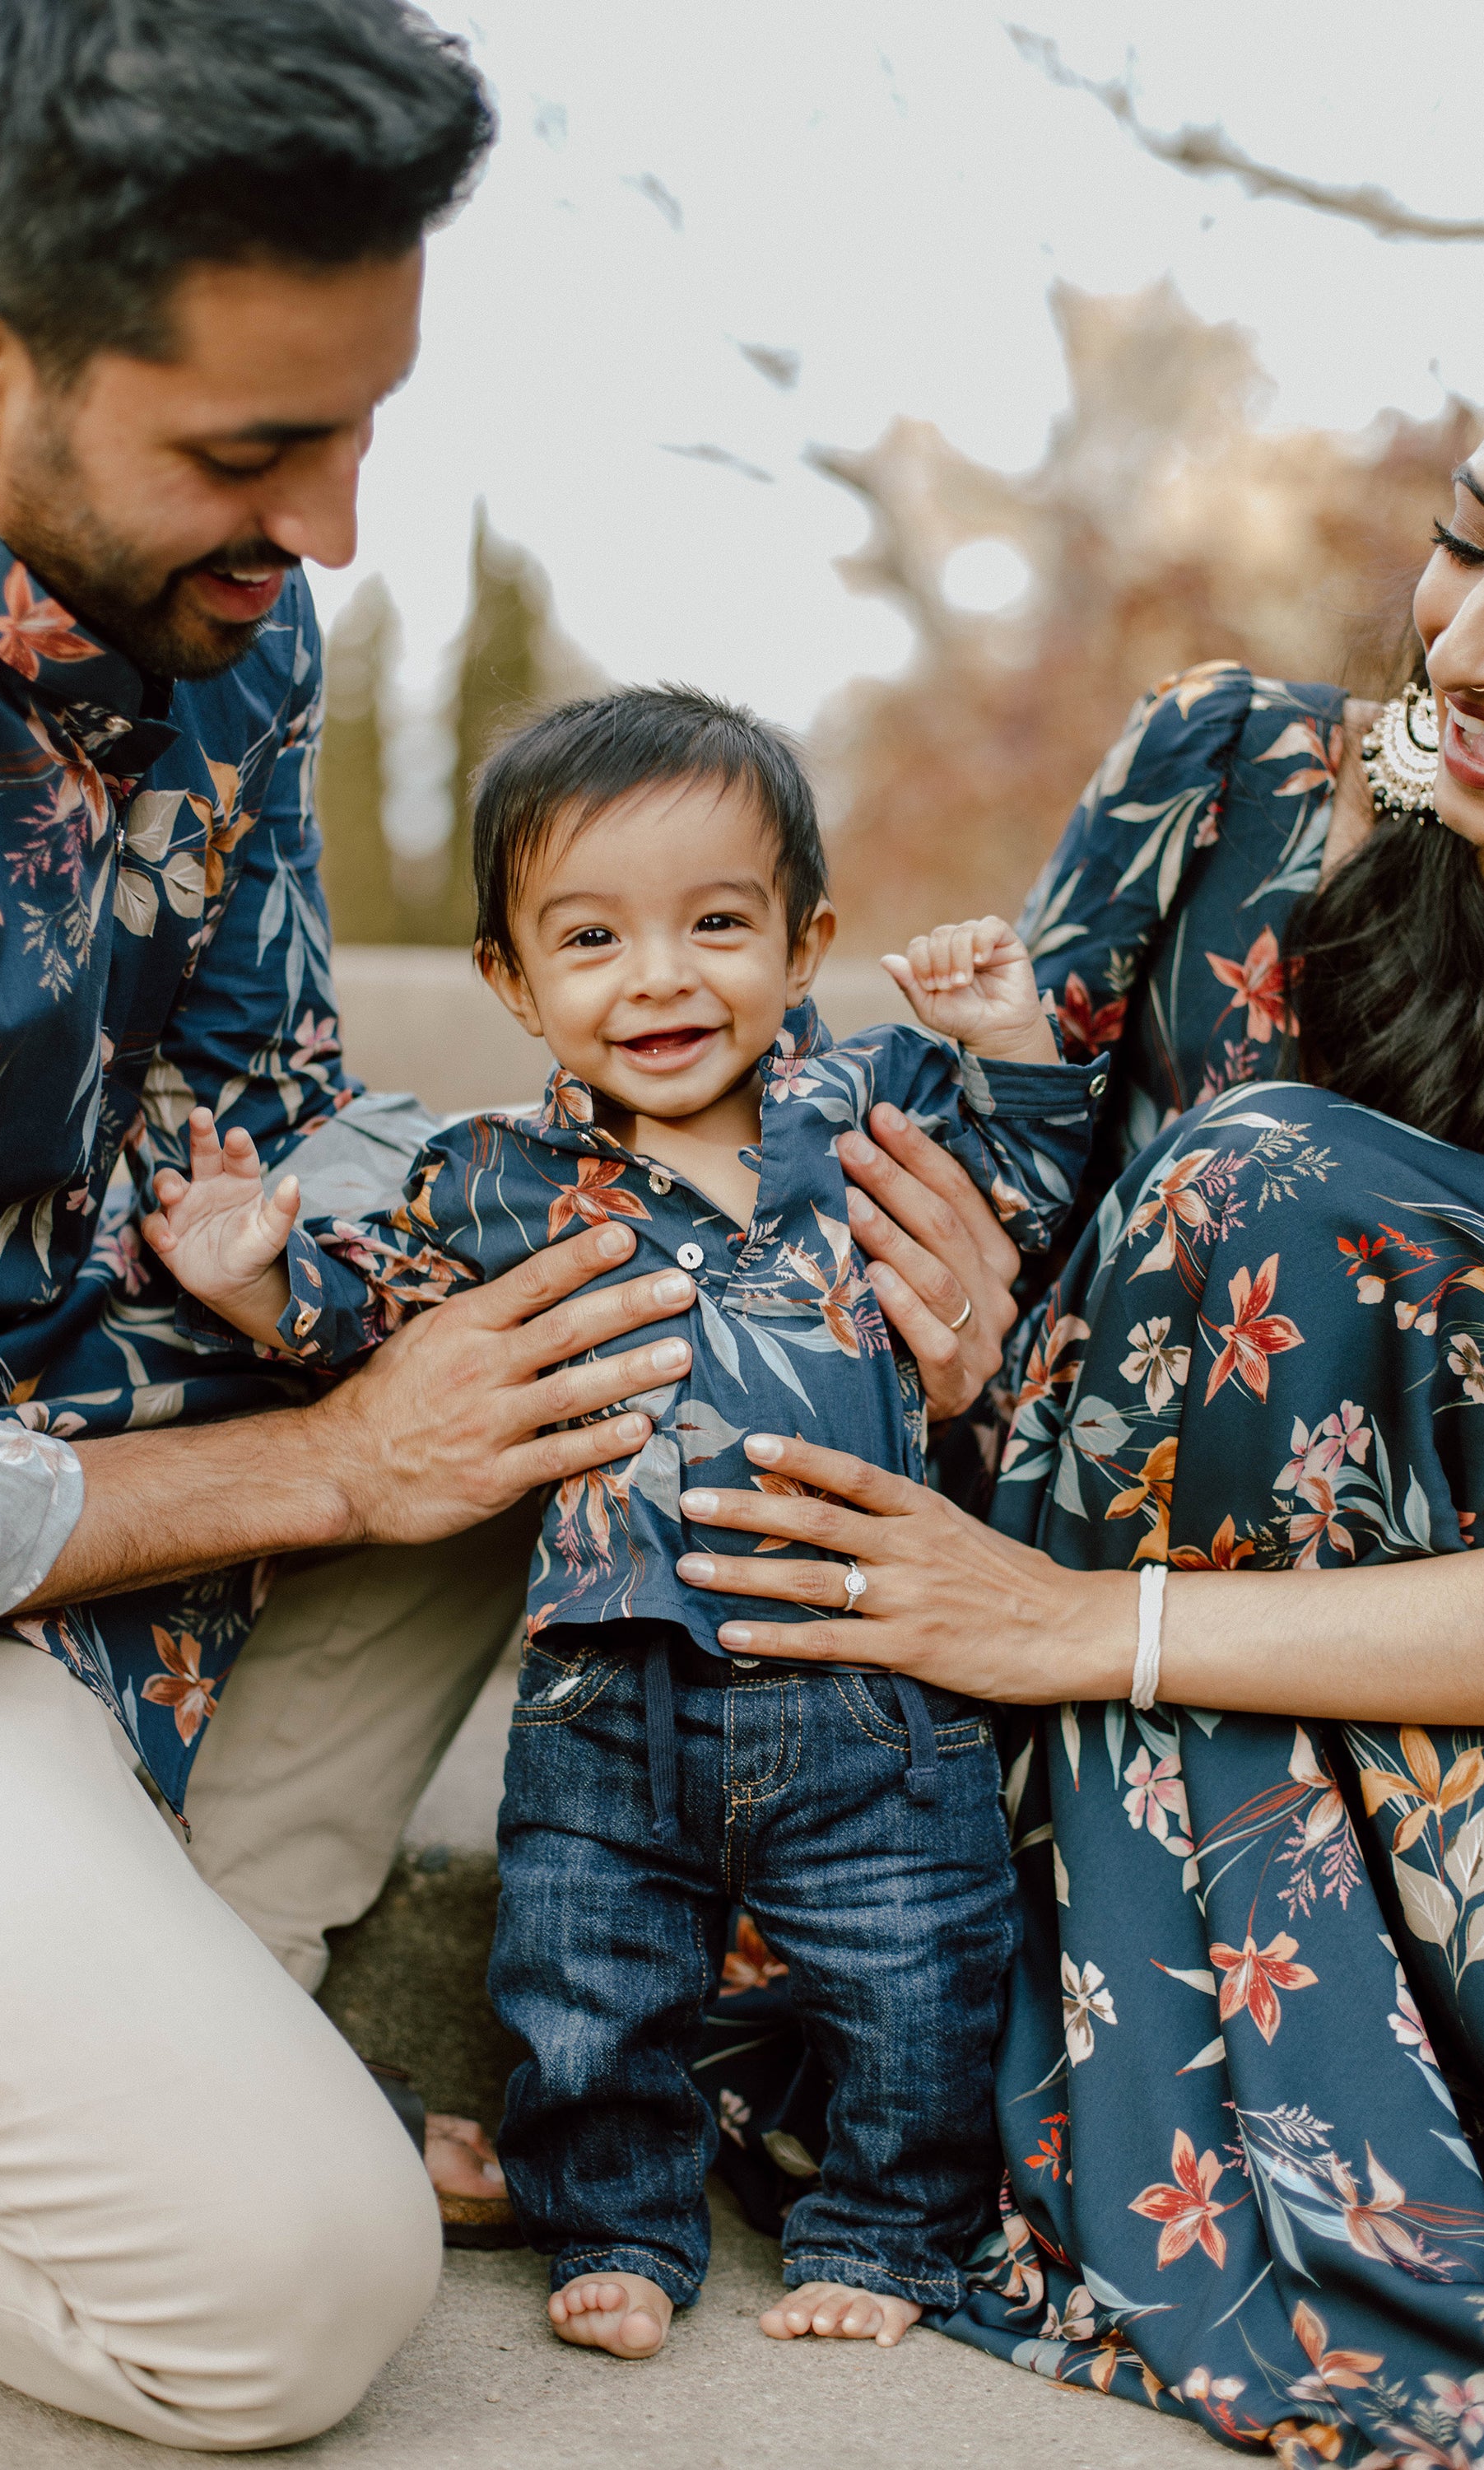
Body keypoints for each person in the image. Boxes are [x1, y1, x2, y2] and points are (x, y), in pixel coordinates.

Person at [0, 2, 1014, 2447]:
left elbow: (275, 1110)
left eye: (360, 426)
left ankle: (188, 1965)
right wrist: (319, 1467)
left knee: (585, 1332)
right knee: (290, 2298)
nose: (330, 535)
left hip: (111, 1472)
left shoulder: (233, 632)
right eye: (249, 450)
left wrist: (896, 1280)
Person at [663, 305, 1484, 2461]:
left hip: (1478, 1805)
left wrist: (1096, 1623)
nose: (1483, 649)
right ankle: (862, 2045)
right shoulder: (1236, 785)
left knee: (1273, 1181)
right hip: (1096, 1752)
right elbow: (1013, 1272)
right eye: (1471, 541)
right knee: (1231, 1197)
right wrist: (956, 1330)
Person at [147, 683, 1104, 2359]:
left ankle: (885, 2232)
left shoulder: (868, 1106)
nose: (658, 976)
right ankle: (615, 2224)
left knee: (911, 1972)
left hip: (863, 1673)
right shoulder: (494, 1176)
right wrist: (254, 1278)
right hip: (607, 1687)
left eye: (715, 924)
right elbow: (372, 1312)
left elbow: (1027, 1184)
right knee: (584, 1975)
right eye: (590, 939)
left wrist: (1008, 1037)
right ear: (509, 983)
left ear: (804, 943)